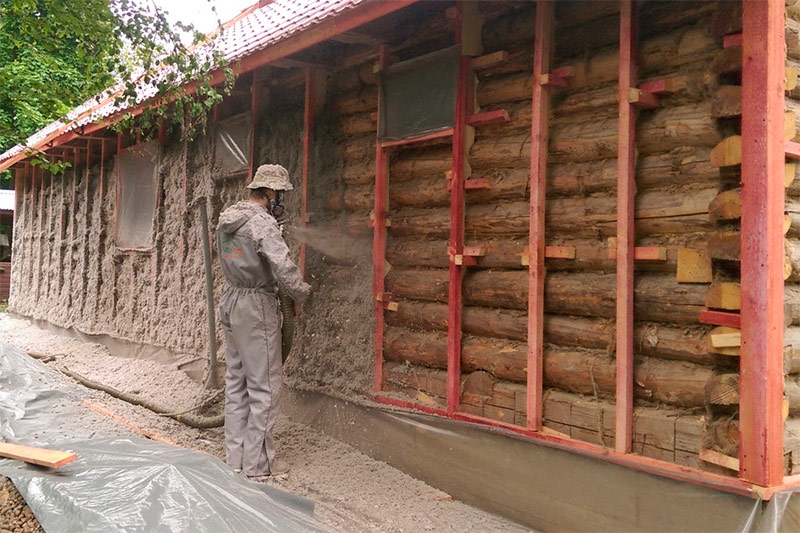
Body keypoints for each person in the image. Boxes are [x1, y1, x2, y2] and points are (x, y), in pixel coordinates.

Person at [216, 164, 311, 480]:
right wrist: (301, 293)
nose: (281, 200)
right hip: (257, 306)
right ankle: (258, 465)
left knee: (237, 382)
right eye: (280, 194)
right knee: (264, 387)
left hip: (232, 300)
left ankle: (235, 459)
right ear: (270, 192)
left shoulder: (228, 219)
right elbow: (282, 266)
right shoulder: (261, 223)